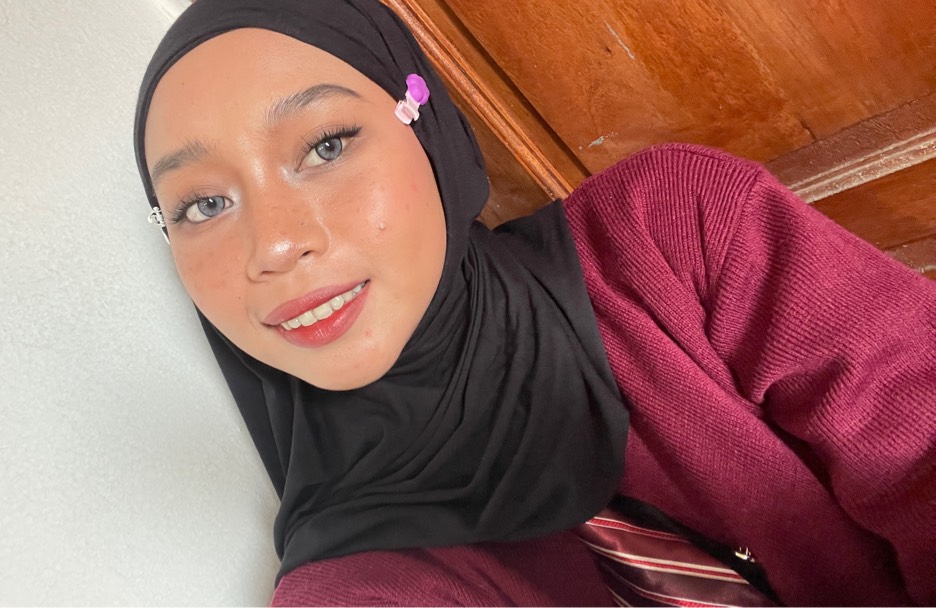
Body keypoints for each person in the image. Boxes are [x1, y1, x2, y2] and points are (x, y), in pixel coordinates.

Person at [132, 0, 936, 604]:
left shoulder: (675, 235)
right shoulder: (354, 586)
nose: (274, 245)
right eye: (203, 205)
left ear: (427, 123)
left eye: (326, 145)